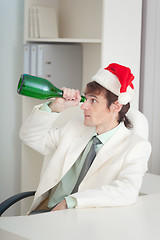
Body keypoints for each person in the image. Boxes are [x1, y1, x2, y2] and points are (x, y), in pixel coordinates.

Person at [19, 63, 151, 214]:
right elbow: (29, 136)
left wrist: (71, 202)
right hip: (46, 211)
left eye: (93, 100)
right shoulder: (76, 127)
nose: (83, 106)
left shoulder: (136, 146)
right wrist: (56, 107)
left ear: (116, 107)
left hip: (82, 219)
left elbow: (127, 191)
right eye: (86, 98)